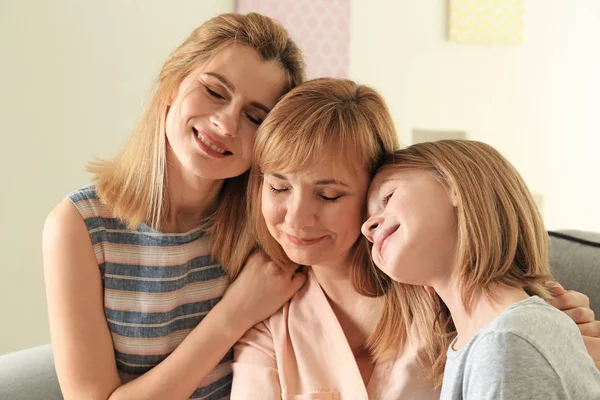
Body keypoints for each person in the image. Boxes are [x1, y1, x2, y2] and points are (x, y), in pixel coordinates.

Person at [230, 78, 600, 399]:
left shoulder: (445, 290)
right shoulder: (269, 324)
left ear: (371, 191)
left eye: (329, 195)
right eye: (278, 187)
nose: (295, 218)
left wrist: (562, 334)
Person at [42, 12, 306, 400]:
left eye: (254, 116)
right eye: (215, 92)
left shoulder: (269, 227)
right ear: (171, 85)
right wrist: (233, 316)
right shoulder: (78, 226)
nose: (227, 124)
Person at [362, 140, 600, 399]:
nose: (367, 229)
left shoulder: (506, 342)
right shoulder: (482, 344)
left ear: (456, 185)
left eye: (388, 197)